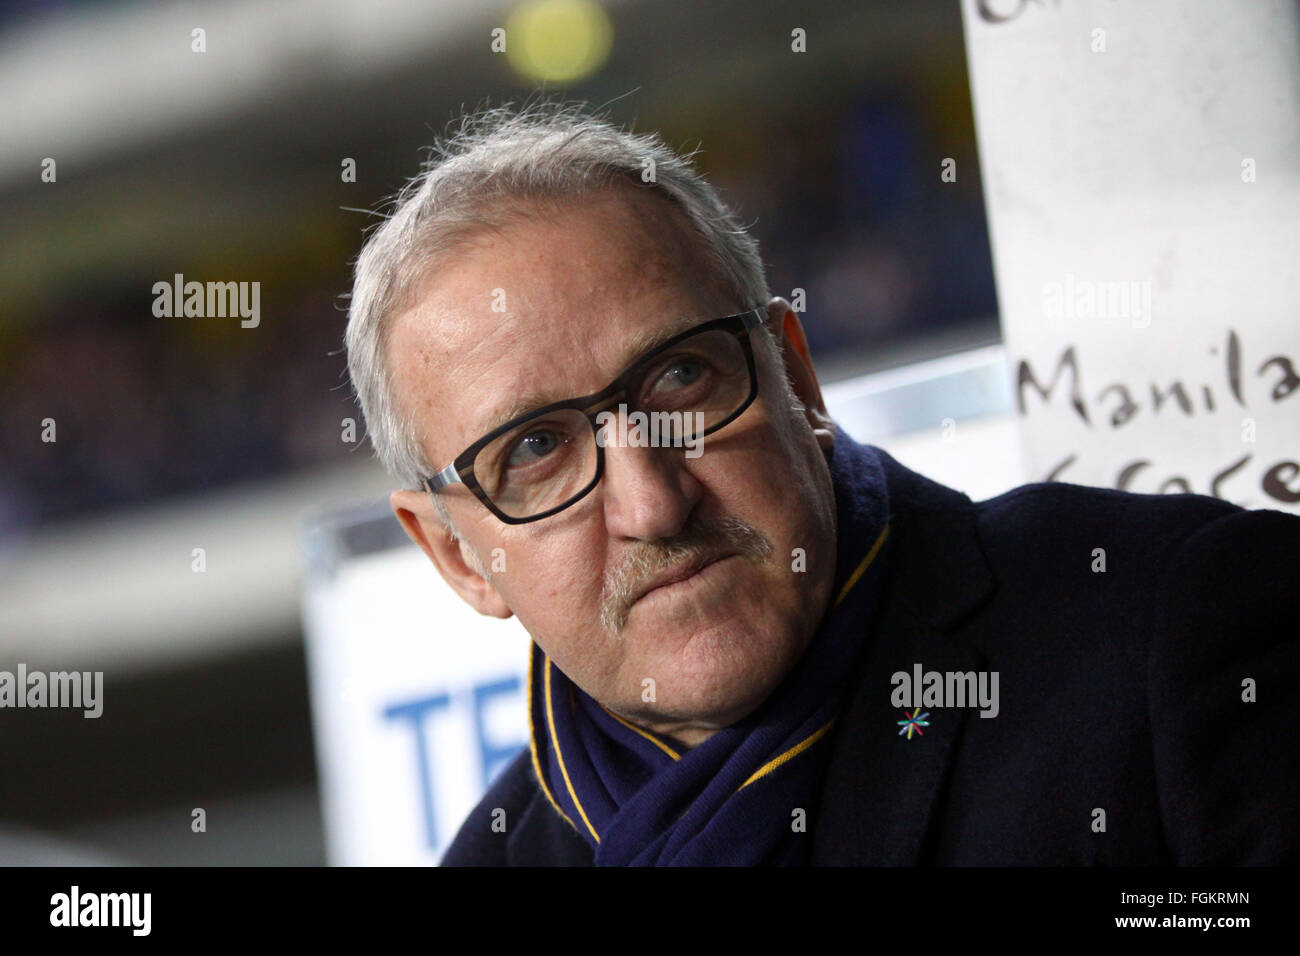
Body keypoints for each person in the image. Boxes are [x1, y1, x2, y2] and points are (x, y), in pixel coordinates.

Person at [344, 99, 1299, 866]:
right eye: (536, 450)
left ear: (797, 379)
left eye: (681, 376)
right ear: (456, 555)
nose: (653, 502)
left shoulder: (1171, 623)